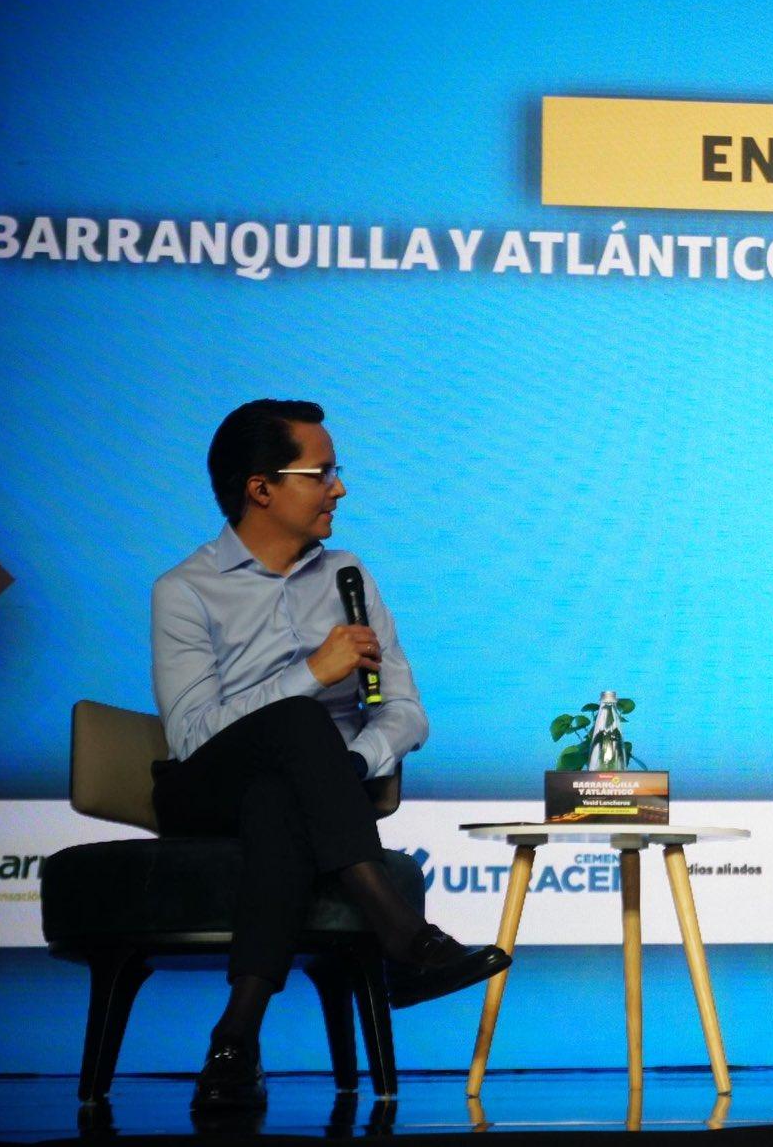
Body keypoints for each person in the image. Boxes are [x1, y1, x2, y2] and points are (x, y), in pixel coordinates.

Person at [151, 400, 509, 1111]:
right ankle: (400, 934)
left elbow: (405, 711)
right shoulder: (185, 591)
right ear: (261, 488)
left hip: (301, 801)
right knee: (299, 723)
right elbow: (190, 737)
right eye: (321, 473)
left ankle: (235, 1038)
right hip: (205, 788)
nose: (338, 489)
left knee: (285, 796)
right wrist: (312, 675)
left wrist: (350, 767)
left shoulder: (349, 578)